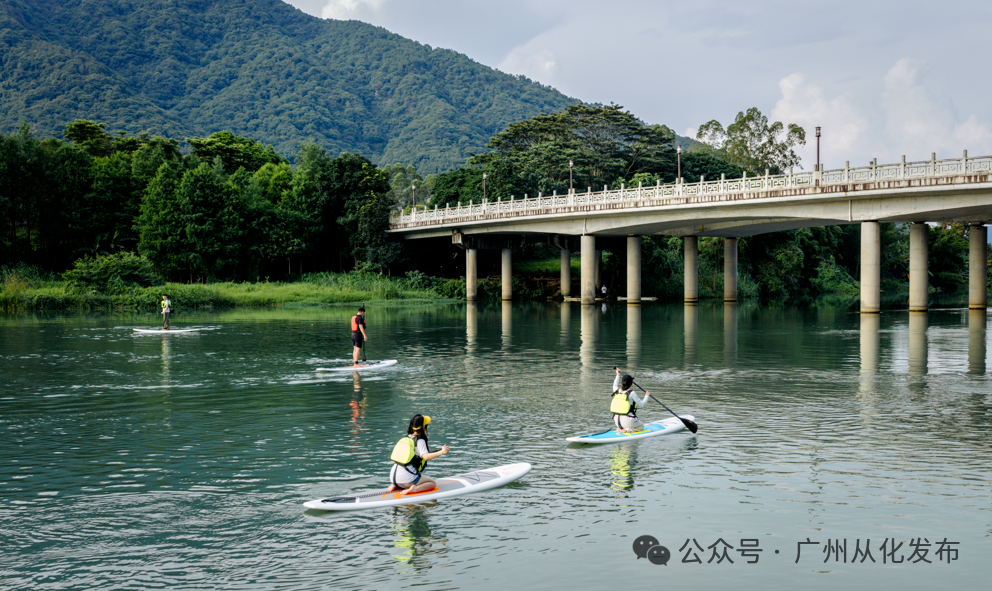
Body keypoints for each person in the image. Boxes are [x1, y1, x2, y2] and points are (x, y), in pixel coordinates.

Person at [387, 414, 450, 494]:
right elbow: (426, 457)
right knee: (432, 483)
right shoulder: (419, 441)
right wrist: (442, 452)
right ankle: (414, 489)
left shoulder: (406, 438)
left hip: (393, 477)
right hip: (406, 478)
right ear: (423, 427)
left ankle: (395, 485)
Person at [611, 367, 650, 433]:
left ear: (622, 383)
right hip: (627, 420)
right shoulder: (632, 393)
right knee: (641, 426)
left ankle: (620, 428)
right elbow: (642, 405)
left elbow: (615, 385)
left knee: (627, 421)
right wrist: (647, 395)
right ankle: (627, 430)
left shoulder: (617, 391)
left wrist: (618, 375)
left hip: (616, 420)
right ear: (631, 384)